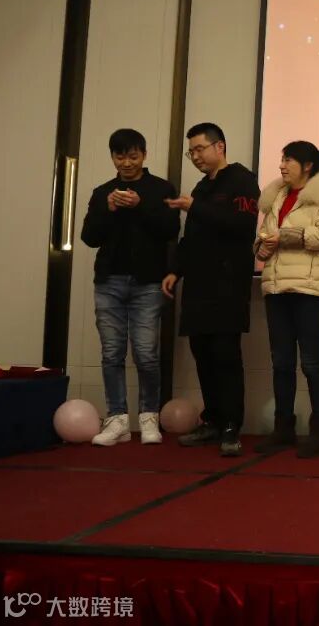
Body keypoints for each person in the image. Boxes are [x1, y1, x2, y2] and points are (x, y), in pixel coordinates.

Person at [162, 122, 260, 457]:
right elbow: (191, 238)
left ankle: (231, 425)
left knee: (225, 355)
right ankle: (213, 421)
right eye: (191, 152)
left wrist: (195, 207)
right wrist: (175, 270)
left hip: (228, 285)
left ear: (220, 147)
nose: (195, 157)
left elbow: (242, 225)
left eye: (200, 149)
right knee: (202, 354)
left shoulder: (242, 180)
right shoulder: (201, 188)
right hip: (198, 286)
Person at [81, 129, 180, 446]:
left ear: (144, 155)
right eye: (120, 156)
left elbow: (170, 229)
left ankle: (149, 417)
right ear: (112, 157)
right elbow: (89, 237)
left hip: (148, 282)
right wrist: (108, 210)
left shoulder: (160, 188)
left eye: (133, 156)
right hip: (108, 281)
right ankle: (117, 420)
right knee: (111, 353)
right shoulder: (102, 192)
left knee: (146, 354)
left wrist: (140, 205)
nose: (126, 163)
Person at [253, 142, 319, 459]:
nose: (281, 165)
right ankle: (284, 429)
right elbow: (263, 240)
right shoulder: (276, 197)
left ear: (308, 165)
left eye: (288, 160)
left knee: (312, 363)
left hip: (312, 289)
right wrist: (262, 247)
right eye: (281, 159)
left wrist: (284, 236)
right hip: (277, 287)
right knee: (281, 362)